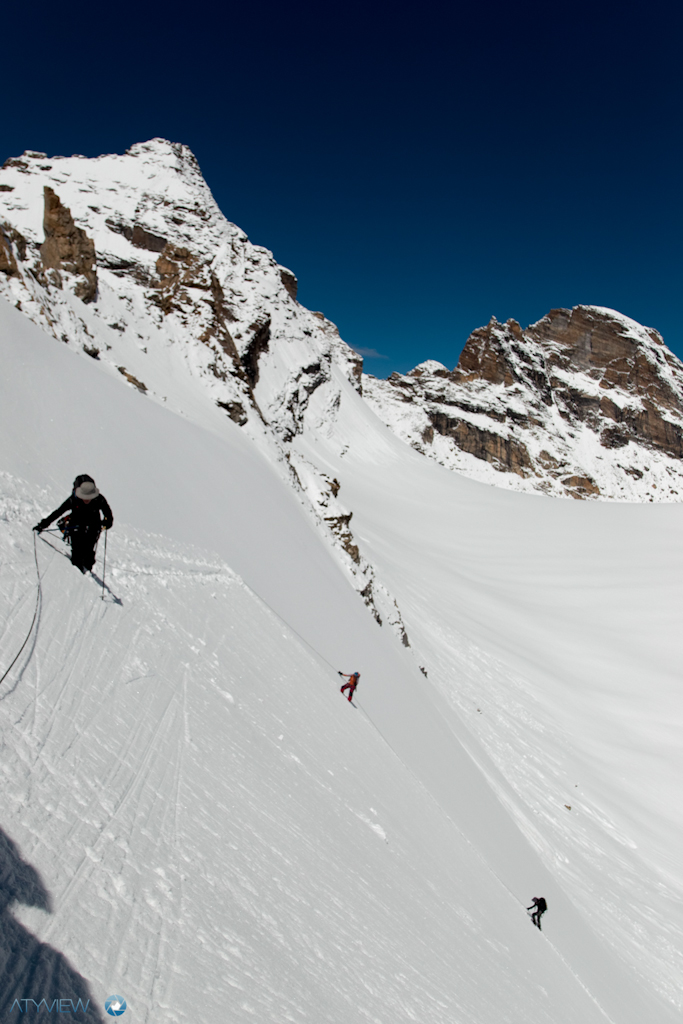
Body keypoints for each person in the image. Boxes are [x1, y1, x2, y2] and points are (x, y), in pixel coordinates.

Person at [34, 474, 113, 574]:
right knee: (77, 552)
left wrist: (106, 523)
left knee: (88, 551)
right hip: (76, 526)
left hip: (93, 526)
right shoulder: (73, 500)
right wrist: (42, 525)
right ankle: (79, 571)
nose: (87, 499)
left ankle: (86, 570)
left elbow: (108, 515)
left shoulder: (99, 499)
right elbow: (58, 512)